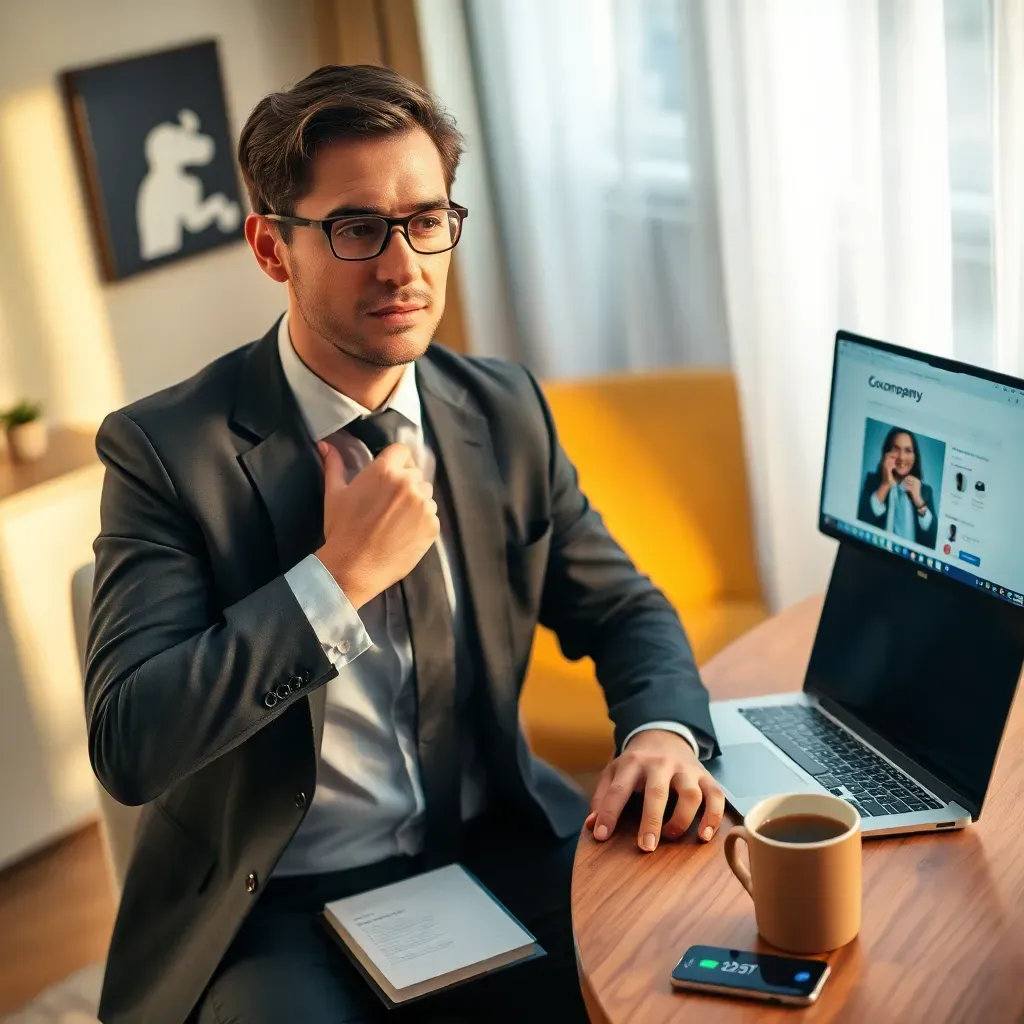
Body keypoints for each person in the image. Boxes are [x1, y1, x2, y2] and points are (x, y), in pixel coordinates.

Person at [85, 65, 724, 1024]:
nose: (404, 265)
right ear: (272, 248)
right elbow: (131, 743)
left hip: (497, 846)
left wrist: (662, 733)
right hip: (287, 900)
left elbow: (624, 607)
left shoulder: (501, 409)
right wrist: (335, 582)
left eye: (427, 220)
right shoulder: (167, 453)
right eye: (356, 228)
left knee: (695, 975)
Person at [857, 426, 938, 549]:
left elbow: (933, 539)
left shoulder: (925, 491)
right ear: (886, 453)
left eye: (908, 450)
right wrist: (885, 484)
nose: (901, 457)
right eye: (896, 449)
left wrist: (918, 500)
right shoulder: (872, 481)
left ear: (915, 456)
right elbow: (862, 521)